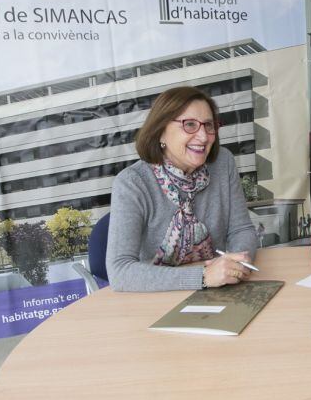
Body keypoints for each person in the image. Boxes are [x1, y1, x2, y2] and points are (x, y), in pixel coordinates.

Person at [106, 86, 257, 292]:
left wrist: (235, 266)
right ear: (161, 132)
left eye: (209, 125)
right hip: (153, 297)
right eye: (190, 125)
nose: (204, 137)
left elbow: (241, 229)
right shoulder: (132, 183)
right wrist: (203, 277)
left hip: (219, 291)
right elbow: (120, 271)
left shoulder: (223, 163)